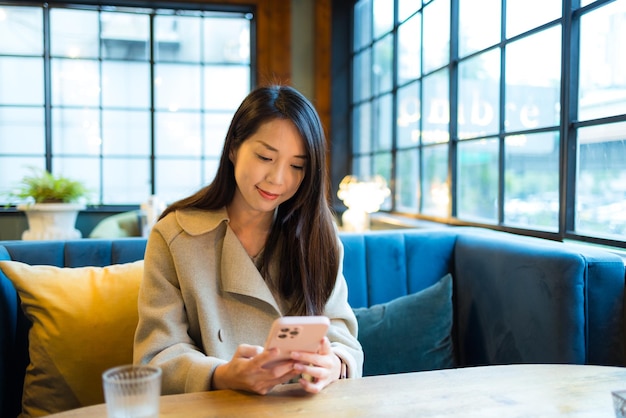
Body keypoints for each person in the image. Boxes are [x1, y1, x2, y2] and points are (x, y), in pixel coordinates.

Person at [133, 85, 364, 396]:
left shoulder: (318, 237)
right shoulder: (175, 236)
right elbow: (156, 356)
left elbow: (341, 332)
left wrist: (334, 363)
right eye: (265, 157)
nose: (278, 179)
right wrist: (223, 374)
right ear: (233, 149)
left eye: (297, 166)